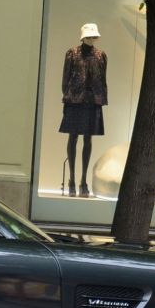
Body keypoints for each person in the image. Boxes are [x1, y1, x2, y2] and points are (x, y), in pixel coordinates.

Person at [59, 23, 108, 197]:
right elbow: (65, 78)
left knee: (88, 139)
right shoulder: (72, 53)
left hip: (92, 101)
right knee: (73, 137)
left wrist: (100, 99)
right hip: (74, 101)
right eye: (88, 36)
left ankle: (83, 180)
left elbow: (103, 79)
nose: (91, 39)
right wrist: (68, 95)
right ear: (83, 36)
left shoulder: (101, 55)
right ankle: (72, 179)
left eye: (93, 36)